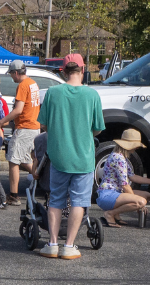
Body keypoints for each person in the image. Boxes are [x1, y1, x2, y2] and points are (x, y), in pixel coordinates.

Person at [36, 60, 105, 259]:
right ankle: (69, 245)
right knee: (79, 201)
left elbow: (44, 125)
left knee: (55, 200)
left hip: (59, 155)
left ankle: (52, 243)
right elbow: (98, 127)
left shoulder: (53, 93)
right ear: (83, 70)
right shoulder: (92, 94)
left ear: (64, 71)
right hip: (83, 156)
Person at [0, 60, 41, 205]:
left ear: (16, 72)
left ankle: (14, 196)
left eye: (11, 74)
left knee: (13, 160)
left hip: (25, 127)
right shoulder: (33, 83)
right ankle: (45, 178)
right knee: (26, 159)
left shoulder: (22, 86)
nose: (11, 77)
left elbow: (18, 110)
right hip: (35, 126)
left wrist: (1, 122)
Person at [96, 129, 150, 227]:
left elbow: (133, 177)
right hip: (108, 194)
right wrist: (138, 204)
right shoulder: (119, 159)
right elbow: (125, 186)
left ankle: (116, 214)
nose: (136, 149)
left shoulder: (122, 157)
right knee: (141, 201)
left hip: (115, 192)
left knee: (147, 195)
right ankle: (110, 214)